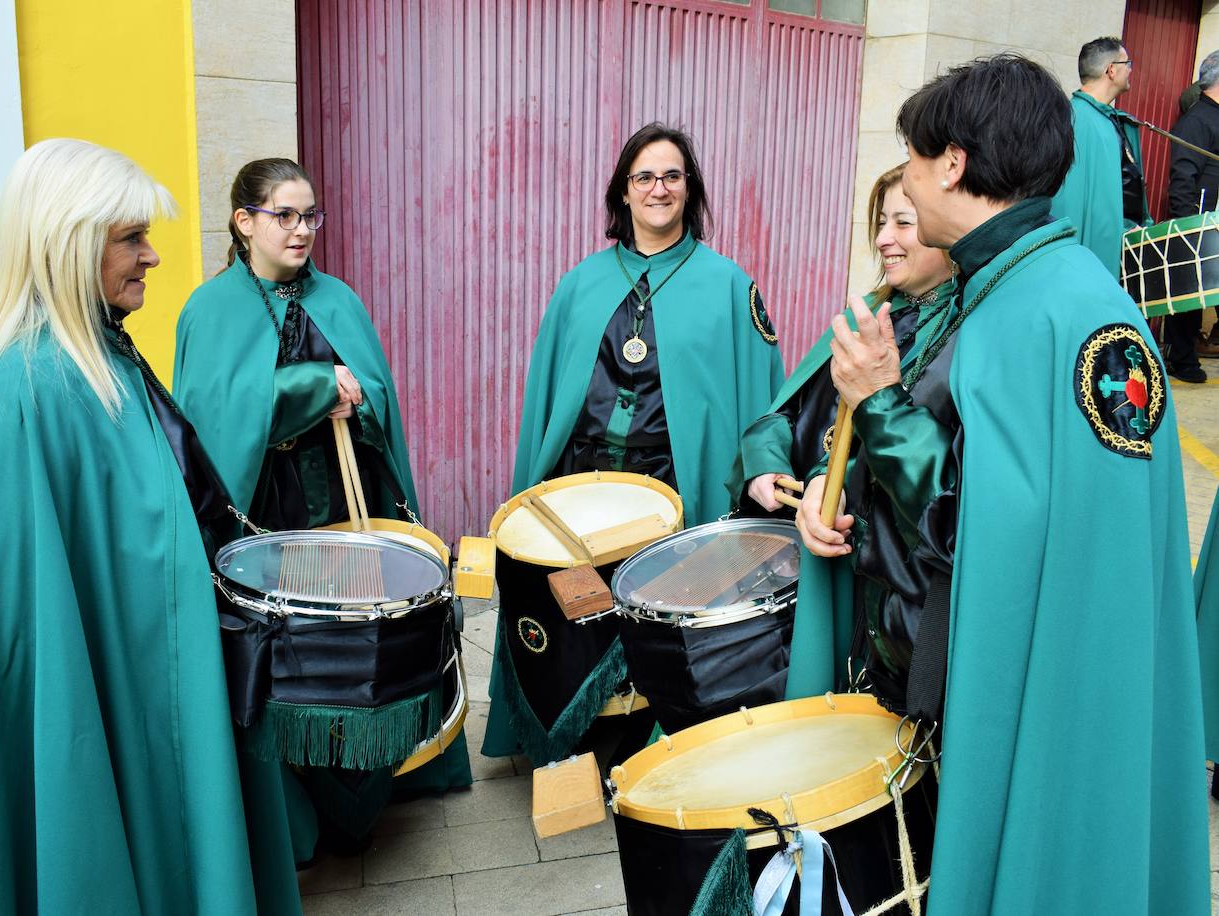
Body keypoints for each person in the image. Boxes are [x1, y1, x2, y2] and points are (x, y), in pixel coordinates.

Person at [796, 55, 1208, 913]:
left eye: (910, 159)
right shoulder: (1024, 290)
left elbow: (975, 526)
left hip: (1046, 709)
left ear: (951, 164)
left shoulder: (1067, 311)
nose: (903, 181)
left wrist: (877, 404)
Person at [0, 139, 300, 915]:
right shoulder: (24, 389)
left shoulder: (103, 355)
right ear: (69, 243)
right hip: (117, 700)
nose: (151, 257)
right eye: (130, 238)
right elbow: (29, 634)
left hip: (161, 683)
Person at [173, 157, 472, 852]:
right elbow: (213, 420)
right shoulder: (210, 309)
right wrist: (314, 386)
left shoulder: (338, 297)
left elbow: (379, 396)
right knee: (293, 663)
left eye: (311, 215)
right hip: (265, 515)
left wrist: (357, 395)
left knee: (360, 646)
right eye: (285, 215)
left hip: (345, 501)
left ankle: (372, 785)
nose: (302, 229)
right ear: (244, 221)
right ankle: (297, 821)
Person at [482, 122, 786, 762]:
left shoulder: (730, 285)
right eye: (644, 176)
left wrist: (763, 469)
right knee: (579, 616)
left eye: (672, 176)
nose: (658, 188)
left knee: (655, 622)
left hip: (673, 487)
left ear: (690, 189)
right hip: (580, 484)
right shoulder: (580, 284)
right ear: (623, 191)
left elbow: (764, 397)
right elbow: (548, 397)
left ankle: (650, 744)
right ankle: (575, 738)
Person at [732, 162, 955, 698]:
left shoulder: (967, 331)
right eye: (880, 223)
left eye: (904, 222)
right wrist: (768, 464)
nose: (883, 239)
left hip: (897, 585)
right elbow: (784, 415)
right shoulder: (865, 315)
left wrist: (828, 486)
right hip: (824, 558)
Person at [1051, 37, 1151, 277]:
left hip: (1126, 247)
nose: (1130, 70)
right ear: (1111, 70)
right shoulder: (1076, 119)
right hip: (1093, 254)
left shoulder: (1110, 120)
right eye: (1128, 64)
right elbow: (1069, 202)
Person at [1170, 50, 1219, 362]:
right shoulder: (1198, 119)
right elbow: (1183, 174)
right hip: (1197, 220)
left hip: (1212, 219)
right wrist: (1188, 225)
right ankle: (1182, 357)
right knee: (1190, 291)